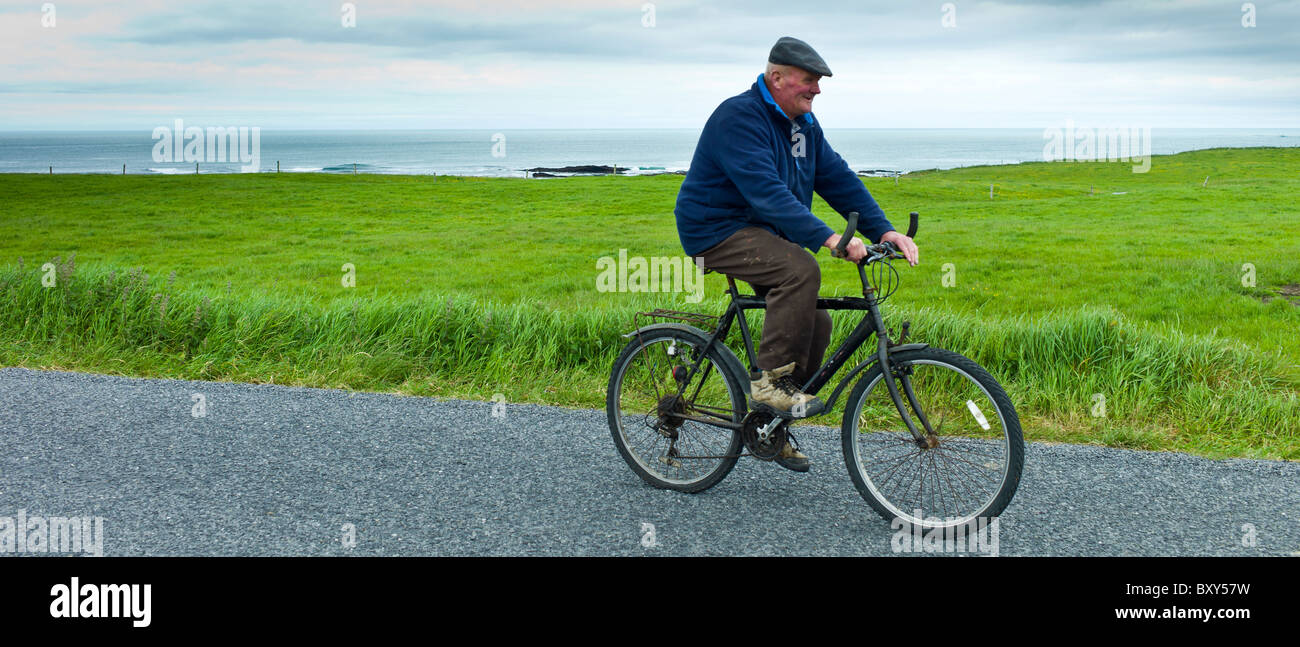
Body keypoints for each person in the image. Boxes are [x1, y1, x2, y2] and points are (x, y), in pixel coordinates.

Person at [674, 36, 919, 472]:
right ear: (777, 77)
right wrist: (829, 239)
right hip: (716, 229)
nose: (817, 90)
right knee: (799, 269)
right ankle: (769, 385)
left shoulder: (803, 125)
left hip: (762, 231)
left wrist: (884, 230)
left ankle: (771, 424)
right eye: (810, 81)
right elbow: (766, 193)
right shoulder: (739, 118)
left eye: (820, 82)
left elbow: (837, 178)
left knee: (814, 320)